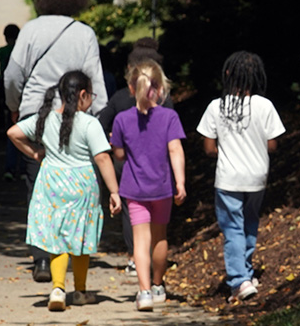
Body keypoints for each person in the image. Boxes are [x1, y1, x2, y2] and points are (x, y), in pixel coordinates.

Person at [4, 0, 107, 283]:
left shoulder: (31, 30)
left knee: (38, 190)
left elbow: (13, 75)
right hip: (75, 119)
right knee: (73, 189)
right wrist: (98, 122)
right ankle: (73, 250)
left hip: (37, 117)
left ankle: (42, 259)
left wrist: (13, 106)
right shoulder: (85, 33)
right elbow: (95, 80)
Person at [6, 71, 121, 311]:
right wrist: (114, 191)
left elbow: (13, 133)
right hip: (82, 185)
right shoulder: (90, 123)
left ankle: (58, 289)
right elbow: (102, 158)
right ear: (82, 95)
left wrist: (36, 153)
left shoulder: (45, 118)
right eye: (91, 94)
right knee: (80, 236)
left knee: (56, 237)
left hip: (52, 183)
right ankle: (79, 291)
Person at [196, 51, 286, 303]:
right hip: (257, 176)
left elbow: (208, 147)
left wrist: (227, 149)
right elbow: (272, 144)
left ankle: (239, 280)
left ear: (227, 74)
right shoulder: (264, 106)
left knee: (232, 229)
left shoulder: (217, 106)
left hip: (228, 178)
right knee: (249, 223)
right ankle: (245, 271)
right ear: (256, 76)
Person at [109, 60, 187, 311]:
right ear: (161, 88)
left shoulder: (122, 119)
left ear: (132, 88)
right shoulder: (169, 117)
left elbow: (119, 154)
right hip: (162, 188)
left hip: (134, 188)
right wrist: (180, 182)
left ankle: (143, 293)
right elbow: (175, 149)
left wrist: (119, 146)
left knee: (140, 241)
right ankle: (157, 285)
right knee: (160, 237)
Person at [98, 47, 175, 279]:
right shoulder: (165, 103)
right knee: (159, 231)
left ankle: (133, 256)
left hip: (128, 166)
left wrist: (111, 143)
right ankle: (157, 278)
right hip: (158, 170)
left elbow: (101, 122)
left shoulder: (120, 98)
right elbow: (172, 139)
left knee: (130, 217)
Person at [0, 23, 22, 181]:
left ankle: (0, 123)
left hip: (3, 83)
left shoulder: (2, 51)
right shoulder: (19, 52)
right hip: (18, 89)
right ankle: (22, 169)